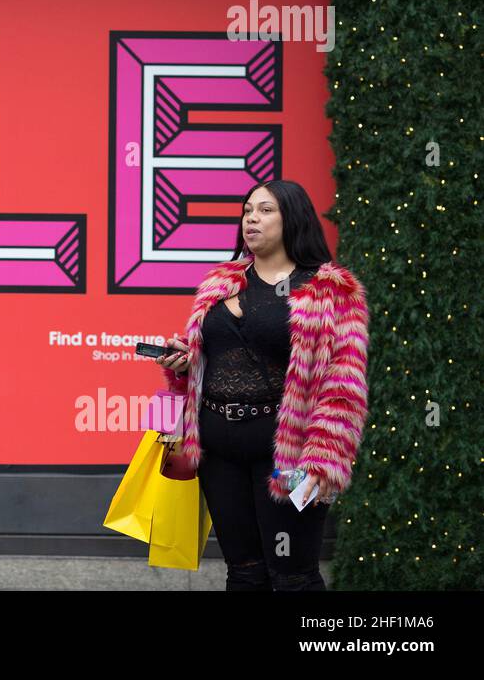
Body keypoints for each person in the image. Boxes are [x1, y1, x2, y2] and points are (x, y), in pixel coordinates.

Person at [153, 180, 369, 590]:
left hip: (288, 454)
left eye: (266, 210)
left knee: (292, 575)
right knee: (244, 571)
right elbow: (206, 363)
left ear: (293, 218)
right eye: (248, 210)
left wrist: (322, 461)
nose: (252, 218)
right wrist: (182, 364)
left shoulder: (330, 289)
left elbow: (344, 387)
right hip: (218, 452)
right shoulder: (219, 283)